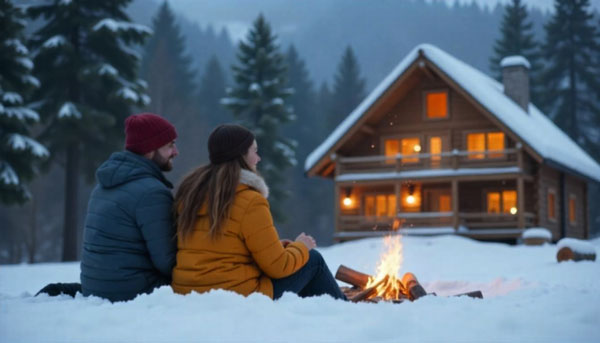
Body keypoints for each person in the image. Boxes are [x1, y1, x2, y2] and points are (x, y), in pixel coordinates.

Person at [171, 124, 346, 301]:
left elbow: (222, 248)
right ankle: (346, 314)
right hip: (236, 295)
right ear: (241, 155)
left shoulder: (191, 195)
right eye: (254, 151)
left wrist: (276, 247)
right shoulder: (250, 201)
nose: (258, 158)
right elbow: (278, 267)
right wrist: (302, 246)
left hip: (189, 293)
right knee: (312, 260)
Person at [77, 113, 179, 302]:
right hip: (131, 292)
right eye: (170, 145)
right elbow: (168, 262)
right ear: (149, 150)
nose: (175, 152)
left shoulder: (102, 185)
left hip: (94, 287)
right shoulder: (152, 193)